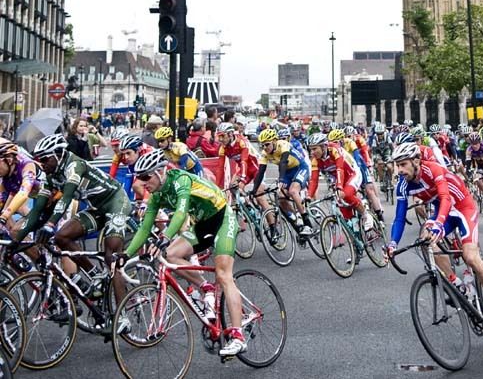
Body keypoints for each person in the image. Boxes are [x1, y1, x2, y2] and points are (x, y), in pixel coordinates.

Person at [118, 148, 246, 359]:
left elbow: (179, 215)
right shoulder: (157, 194)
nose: (142, 182)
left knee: (224, 275)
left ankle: (238, 336)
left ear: (160, 172)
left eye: (145, 177)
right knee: (169, 255)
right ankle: (205, 287)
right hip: (201, 224)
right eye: (138, 178)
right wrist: (125, 254)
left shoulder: (181, 180)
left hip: (222, 219)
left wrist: (165, 237)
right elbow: (143, 228)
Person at [387, 142, 483, 334]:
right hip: (443, 211)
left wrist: (438, 223)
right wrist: (392, 244)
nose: (399, 170)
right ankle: (456, 284)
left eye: (403, 164)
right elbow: (399, 217)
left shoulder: (433, 169)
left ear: (416, 161)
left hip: (462, 207)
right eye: (397, 165)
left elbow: (445, 197)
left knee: (470, 257)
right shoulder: (403, 186)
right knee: (424, 239)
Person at [19, 134, 131, 311]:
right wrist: (18, 240)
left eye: (45, 159)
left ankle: (123, 313)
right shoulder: (51, 176)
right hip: (96, 208)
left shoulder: (74, 165)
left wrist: (49, 225)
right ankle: (95, 275)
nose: (42, 164)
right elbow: (36, 211)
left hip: (115, 201)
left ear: (57, 154)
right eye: (38, 161)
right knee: (61, 237)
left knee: (112, 257)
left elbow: (67, 197)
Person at [251, 127, 313, 235]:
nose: (264, 147)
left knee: (293, 191)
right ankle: (297, 221)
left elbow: (283, 162)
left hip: (300, 167)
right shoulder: (265, 154)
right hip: (288, 172)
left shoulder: (283, 144)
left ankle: (307, 223)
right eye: (262, 145)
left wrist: (281, 179)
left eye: (267, 144)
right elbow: (260, 172)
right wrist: (254, 190)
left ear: (274, 141)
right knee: (281, 198)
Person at [307, 133, 373, 229]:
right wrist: (309, 196)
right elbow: (314, 180)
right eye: (310, 149)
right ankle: (354, 230)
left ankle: (366, 215)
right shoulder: (315, 160)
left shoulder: (334, 149)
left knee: (345, 194)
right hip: (339, 178)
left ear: (324, 146)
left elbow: (340, 168)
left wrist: (339, 186)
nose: (312, 152)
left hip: (352, 173)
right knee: (340, 202)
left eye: (314, 149)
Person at [0, 139, 43, 229]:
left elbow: (23, 194)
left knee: (16, 228)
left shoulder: (26, 164)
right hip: (36, 199)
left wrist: (5, 216)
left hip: (55, 199)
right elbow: (2, 198)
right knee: (13, 230)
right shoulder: (7, 174)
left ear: (9, 160)